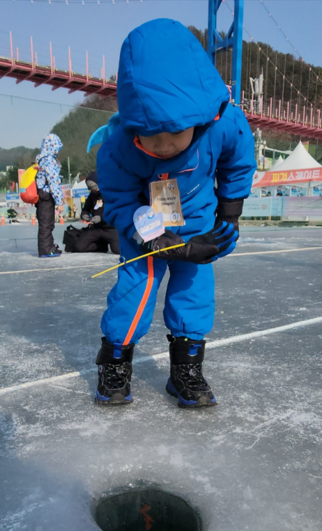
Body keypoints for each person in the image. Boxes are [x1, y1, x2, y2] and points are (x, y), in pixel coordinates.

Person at [90, 19, 255, 408]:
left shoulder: (224, 123)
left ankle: (187, 369)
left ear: (199, 118)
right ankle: (114, 361)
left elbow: (238, 162)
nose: (164, 147)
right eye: (152, 137)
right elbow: (118, 200)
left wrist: (229, 215)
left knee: (194, 293)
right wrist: (154, 237)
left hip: (198, 225)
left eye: (175, 135)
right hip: (145, 227)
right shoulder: (118, 148)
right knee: (135, 289)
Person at [66, 171, 120, 254]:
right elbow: (86, 209)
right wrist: (84, 215)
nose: (95, 190)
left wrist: (101, 218)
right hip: (96, 228)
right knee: (79, 247)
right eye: (93, 189)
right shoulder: (92, 195)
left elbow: (115, 211)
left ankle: (111, 241)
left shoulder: (110, 193)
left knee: (117, 250)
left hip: (111, 228)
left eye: (96, 188)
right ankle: (101, 245)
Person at [34, 134, 65, 258]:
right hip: (47, 195)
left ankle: (47, 247)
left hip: (41, 195)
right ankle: (46, 249)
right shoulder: (49, 160)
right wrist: (59, 201)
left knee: (45, 222)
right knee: (47, 223)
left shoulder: (40, 159)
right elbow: (54, 181)